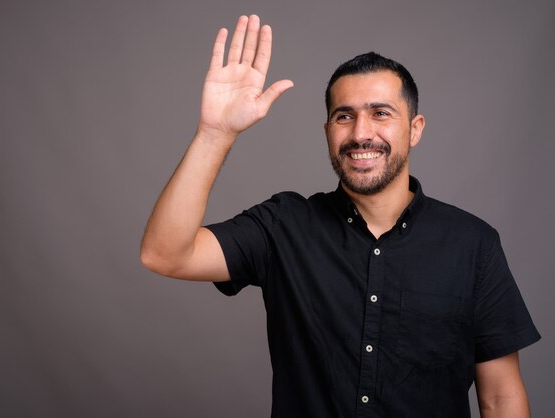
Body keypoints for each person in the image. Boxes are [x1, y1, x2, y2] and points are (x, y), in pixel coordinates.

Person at [140, 14, 540, 418]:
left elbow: (501, 398)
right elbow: (165, 254)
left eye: (381, 113)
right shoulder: (283, 225)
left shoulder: (473, 244)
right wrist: (215, 134)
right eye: (344, 116)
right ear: (328, 129)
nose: (360, 133)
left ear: (414, 129)